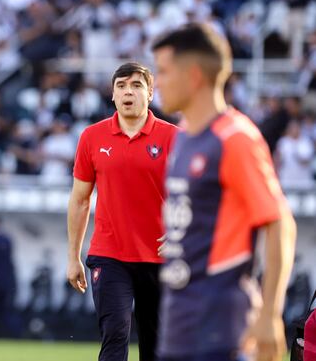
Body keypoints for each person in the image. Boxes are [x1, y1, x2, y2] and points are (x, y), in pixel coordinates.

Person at [152, 23, 296, 361]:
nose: (157, 82)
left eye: (163, 71)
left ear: (194, 76)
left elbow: (280, 224)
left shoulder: (235, 138)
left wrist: (269, 315)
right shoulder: (184, 137)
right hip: (178, 325)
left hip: (219, 327)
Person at [66, 61, 179, 361]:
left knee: (156, 348)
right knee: (115, 335)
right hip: (109, 254)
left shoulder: (174, 138)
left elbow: (197, 194)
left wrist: (181, 231)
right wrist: (73, 256)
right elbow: (80, 200)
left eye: (137, 85)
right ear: (113, 95)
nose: (128, 92)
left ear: (150, 93)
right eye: (121, 86)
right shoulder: (92, 137)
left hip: (161, 258)